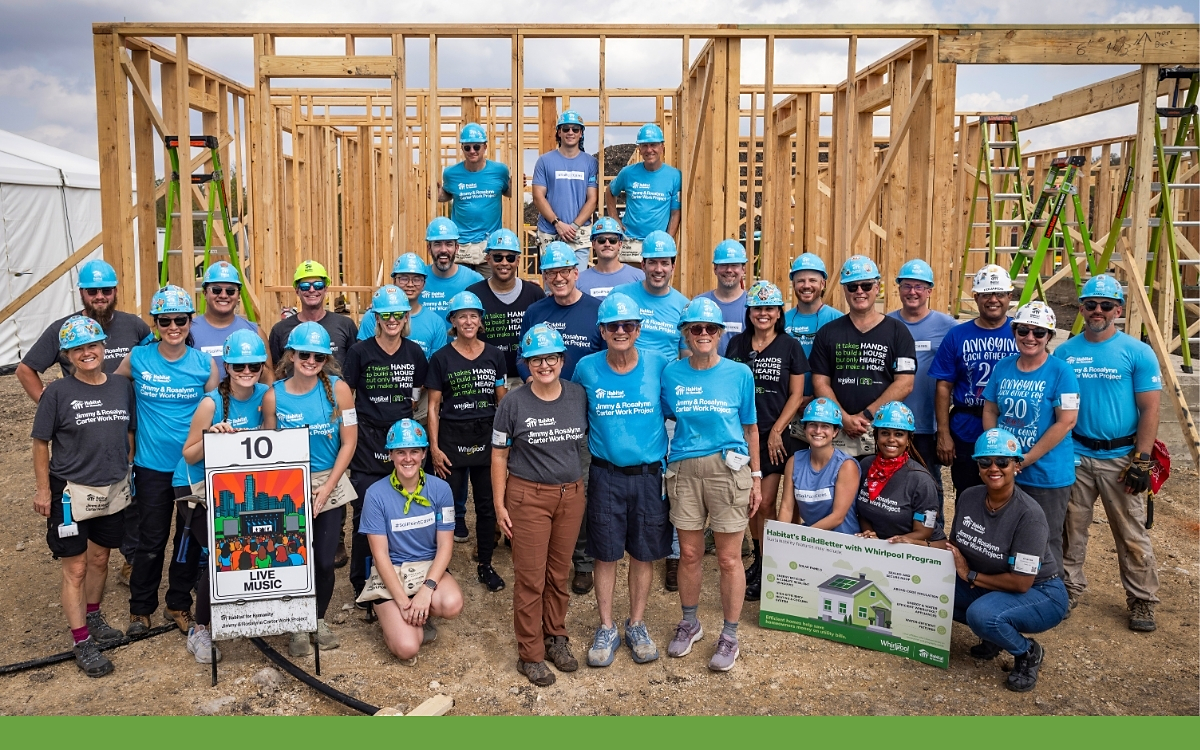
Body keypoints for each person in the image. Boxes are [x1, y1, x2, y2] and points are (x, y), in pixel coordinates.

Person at [18, 258, 151, 583]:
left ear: (115, 291)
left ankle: (130, 561)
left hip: (127, 425)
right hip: (84, 437)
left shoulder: (135, 325)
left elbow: (154, 359)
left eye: (106, 290)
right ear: (82, 293)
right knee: (88, 497)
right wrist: (55, 406)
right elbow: (25, 369)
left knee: (130, 496)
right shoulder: (63, 328)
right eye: (93, 291)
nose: (100, 296)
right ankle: (88, 566)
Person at [1054, 275, 1163, 631]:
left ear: (1118, 309)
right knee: (1071, 528)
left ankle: (1142, 600)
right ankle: (1068, 590)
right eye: (1090, 305)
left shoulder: (1137, 352)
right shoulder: (1065, 352)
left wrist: (1143, 459)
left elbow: (1150, 409)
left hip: (1120, 456)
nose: (1097, 311)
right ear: (1082, 309)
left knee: (1131, 532)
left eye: (1105, 305)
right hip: (1076, 452)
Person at [31, 316, 135, 678]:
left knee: (101, 558)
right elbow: (40, 442)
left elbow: (130, 431)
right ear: (67, 355)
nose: (87, 353)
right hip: (70, 493)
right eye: (78, 349)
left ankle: (94, 615)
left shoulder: (121, 387)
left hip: (111, 488)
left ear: (103, 347)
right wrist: (44, 489)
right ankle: (81, 641)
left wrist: (130, 467)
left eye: (92, 346)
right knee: (75, 566)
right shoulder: (57, 394)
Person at [571, 293, 671, 667]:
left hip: (647, 476)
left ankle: (637, 623)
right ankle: (607, 626)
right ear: (602, 330)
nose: (621, 331)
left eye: (628, 325)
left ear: (639, 329)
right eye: (613, 326)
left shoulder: (659, 364)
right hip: (605, 474)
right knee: (605, 552)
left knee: (643, 553)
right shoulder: (586, 368)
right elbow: (572, 412)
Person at [661, 297, 761, 672]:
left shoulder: (739, 374)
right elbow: (669, 416)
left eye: (710, 329)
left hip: (728, 470)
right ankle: (690, 622)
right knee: (688, 554)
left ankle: (730, 634)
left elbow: (751, 428)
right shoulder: (672, 373)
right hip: (685, 469)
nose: (703, 334)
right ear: (685, 333)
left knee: (729, 557)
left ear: (720, 334)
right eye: (695, 329)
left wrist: (756, 477)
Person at [116, 286, 219, 637]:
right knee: (151, 539)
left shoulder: (204, 365)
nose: (173, 326)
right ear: (155, 323)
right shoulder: (139, 358)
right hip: (152, 466)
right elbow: (111, 390)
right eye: (165, 321)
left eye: (180, 319)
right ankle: (141, 608)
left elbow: (217, 409)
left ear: (191, 321)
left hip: (191, 468)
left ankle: (178, 603)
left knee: (188, 540)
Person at [492, 325, 589, 687]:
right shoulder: (513, 403)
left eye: (550, 357)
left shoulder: (578, 395)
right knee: (531, 579)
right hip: (528, 497)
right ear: (526, 363)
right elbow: (499, 455)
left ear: (562, 360)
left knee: (559, 574)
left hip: (570, 495)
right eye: (536, 359)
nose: (544, 365)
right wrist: (501, 504)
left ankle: (556, 637)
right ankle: (530, 653)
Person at [939, 428, 1068, 693]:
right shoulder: (969, 497)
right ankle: (993, 635)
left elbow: (1022, 583)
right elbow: (956, 548)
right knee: (934, 590)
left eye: (1003, 461)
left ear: (1017, 466)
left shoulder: (1028, 515)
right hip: (993, 582)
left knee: (981, 614)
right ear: (978, 466)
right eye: (985, 461)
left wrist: (971, 576)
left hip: (1041, 591)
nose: (993, 467)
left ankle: (1027, 652)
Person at [174, 329, 276, 664]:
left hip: (235, 488)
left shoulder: (266, 395)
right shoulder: (211, 403)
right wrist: (211, 437)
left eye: (253, 366)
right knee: (220, 554)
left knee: (243, 550)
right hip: (197, 488)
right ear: (227, 367)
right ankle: (199, 628)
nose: (247, 372)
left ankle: (245, 612)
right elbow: (189, 454)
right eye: (239, 366)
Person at [518, 242, 603, 594]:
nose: (558, 278)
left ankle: (582, 561)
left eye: (564, 271)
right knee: (542, 489)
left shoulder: (597, 310)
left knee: (577, 490)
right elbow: (522, 356)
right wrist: (530, 381)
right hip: (542, 414)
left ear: (576, 272)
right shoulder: (536, 310)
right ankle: (547, 553)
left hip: (581, 416)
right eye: (551, 272)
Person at [273, 321, 358, 656]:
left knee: (323, 560)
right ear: (291, 355)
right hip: (288, 485)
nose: (310, 360)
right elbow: (268, 443)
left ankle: (317, 618)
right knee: (295, 559)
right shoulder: (273, 395)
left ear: (327, 359)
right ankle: (296, 623)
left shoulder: (338, 389)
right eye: (304, 354)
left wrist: (328, 488)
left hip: (329, 481)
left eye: (318, 356)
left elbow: (349, 443)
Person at [342, 286, 428, 600]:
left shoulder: (414, 352)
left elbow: (417, 391)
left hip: (402, 442)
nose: (392, 320)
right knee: (366, 512)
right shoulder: (360, 352)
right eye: (385, 315)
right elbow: (347, 397)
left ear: (406, 317)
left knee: (403, 512)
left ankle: (400, 579)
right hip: (367, 440)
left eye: (398, 314)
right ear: (376, 318)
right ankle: (361, 584)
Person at [724, 281, 807, 601]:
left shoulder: (790, 346)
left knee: (767, 501)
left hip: (776, 435)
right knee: (748, 502)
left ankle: (767, 563)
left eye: (770, 308)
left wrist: (775, 431)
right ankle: (758, 559)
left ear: (778, 313)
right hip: (742, 433)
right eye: (758, 308)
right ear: (749, 312)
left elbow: (797, 394)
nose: (763, 313)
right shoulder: (736, 344)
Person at [359, 419, 464, 665]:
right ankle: (391, 619)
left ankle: (420, 611)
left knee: (452, 604)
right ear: (391, 456)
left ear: (424, 454)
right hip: (391, 571)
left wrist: (426, 591)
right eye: (401, 452)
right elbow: (380, 555)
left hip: (425, 566)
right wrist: (404, 601)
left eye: (414, 451)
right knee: (407, 647)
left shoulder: (440, 489)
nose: (408, 459)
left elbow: (446, 546)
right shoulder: (376, 494)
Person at [982, 301, 1079, 566]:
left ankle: (1049, 596)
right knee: (1003, 535)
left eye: (1039, 332)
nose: (1030, 338)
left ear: (1049, 336)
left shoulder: (1062, 371)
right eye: (1023, 330)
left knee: (1045, 539)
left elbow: (1066, 422)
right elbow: (990, 410)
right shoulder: (1003, 367)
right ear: (1014, 332)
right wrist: (998, 454)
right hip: (1005, 469)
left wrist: (1024, 459)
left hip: (1046, 474)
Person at [426, 291, 507, 588]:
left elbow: (502, 402)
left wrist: (504, 444)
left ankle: (485, 563)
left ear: (481, 320)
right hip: (451, 439)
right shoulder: (441, 358)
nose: (468, 321)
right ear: (453, 321)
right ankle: (440, 567)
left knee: (486, 505)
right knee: (445, 505)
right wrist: (434, 448)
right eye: (462, 316)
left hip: (485, 437)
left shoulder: (495, 356)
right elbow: (433, 406)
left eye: (474, 315)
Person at [809, 255, 916, 457]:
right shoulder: (828, 333)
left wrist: (866, 415)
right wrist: (843, 418)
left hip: (881, 430)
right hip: (838, 430)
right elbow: (820, 382)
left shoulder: (897, 332)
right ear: (844, 290)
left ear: (877, 288)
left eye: (866, 286)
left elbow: (905, 383)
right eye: (852, 287)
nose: (859, 291)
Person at [931, 264, 1019, 496]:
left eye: (1000, 294)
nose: (993, 300)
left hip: (1011, 424)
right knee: (968, 492)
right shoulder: (957, 335)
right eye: (986, 294)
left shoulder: (1023, 333)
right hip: (966, 427)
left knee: (1009, 495)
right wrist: (943, 433)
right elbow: (943, 386)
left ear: (1010, 296)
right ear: (976, 297)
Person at [885, 259, 955, 504]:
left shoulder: (948, 327)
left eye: (918, 286)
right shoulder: (886, 324)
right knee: (890, 486)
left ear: (929, 291)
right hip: (890, 421)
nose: (912, 292)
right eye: (906, 286)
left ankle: (931, 536)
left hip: (927, 425)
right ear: (899, 289)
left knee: (929, 486)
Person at [853, 402, 942, 545]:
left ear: (908, 440)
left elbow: (925, 531)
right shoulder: (865, 465)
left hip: (913, 548)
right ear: (876, 436)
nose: (891, 439)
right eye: (885, 433)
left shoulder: (921, 480)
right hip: (874, 547)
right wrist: (869, 534)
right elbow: (863, 512)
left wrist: (893, 543)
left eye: (899, 434)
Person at [468, 229, 545, 387]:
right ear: (488, 259)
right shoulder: (473, 295)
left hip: (526, 380)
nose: (504, 263)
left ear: (518, 261)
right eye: (498, 257)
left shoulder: (535, 294)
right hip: (485, 380)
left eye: (510, 258)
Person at [777, 398, 861, 535]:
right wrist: (780, 538)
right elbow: (786, 508)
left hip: (842, 542)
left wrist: (801, 538)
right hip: (811, 540)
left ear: (835, 432)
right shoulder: (794, 462)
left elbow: (837, 517)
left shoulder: (846, 466)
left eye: (825, 426)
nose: (818, 430)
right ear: (804, 428)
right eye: (813, 424)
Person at [439, 123, 511, 277]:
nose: (472, 151)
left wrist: (517, 184)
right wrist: (436, 194)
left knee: (490, 290)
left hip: (488, 244)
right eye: (467, 147)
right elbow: (447, 194)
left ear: (485, 147)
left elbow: (508, 192)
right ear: (462, 148)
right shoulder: (451, 173)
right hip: (461, 245)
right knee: (461, 290)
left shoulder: (499, 171)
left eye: (476, 147)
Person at [604, 123, 681, 264]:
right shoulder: (628, 173)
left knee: (655, 283)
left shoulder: (674, 176)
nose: (649, 150)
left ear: (662, 147)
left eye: (653, 145)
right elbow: (610, 191)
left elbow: (675, 212)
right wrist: (614, 218)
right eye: (644, 145)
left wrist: (668, 239)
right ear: (639, 149)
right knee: (629, 282)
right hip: (630, 241)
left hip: (657, 243)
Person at [532, 110, 599, 268]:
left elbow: (592, 199)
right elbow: (538, 197)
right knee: (552, 285)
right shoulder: (544, 161)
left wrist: (574, 226)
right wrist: (557, 223)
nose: (570, 132)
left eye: (575, 129)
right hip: (550, 232)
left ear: (581, 133)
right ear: (559, 132)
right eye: (566, 129)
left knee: (578, 284)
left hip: (578, 234)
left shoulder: (590, 163)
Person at [611, 230, 689, 362]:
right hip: (624, 377)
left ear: (673, 267)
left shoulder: (684, 306)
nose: (658, 269)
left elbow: (687, 358)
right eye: (652, 262)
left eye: (664, 263)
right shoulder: (620, 295)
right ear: (643, 265)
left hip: (664, 380)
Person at [360, 253, 449, 360]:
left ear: (424, 284)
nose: (410, 284)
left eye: (416, 279)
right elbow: (362, 359)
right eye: (403, 278)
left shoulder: (436, 323)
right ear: (394, 281)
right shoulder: (372, 316)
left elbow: (438, 367)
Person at [268, 260, 358, 367]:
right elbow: (276, 372)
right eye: (305, 286)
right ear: (297, 290)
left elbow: (355, 369)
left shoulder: (345, 325)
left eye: (318, 285)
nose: (312, 290)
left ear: (325, 289)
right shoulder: (280, 330)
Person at [783, 253, 842, 409]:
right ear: (793, 284)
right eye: (800, 281)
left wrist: (817, 396)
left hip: (829, 407)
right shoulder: (781, 321)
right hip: (788, 406)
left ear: (822, 284)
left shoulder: (838, 320)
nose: (806, 285)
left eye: (812, 280)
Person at [189, 261, 261, 372]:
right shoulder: (188, 331)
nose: (223, 295)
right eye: (216, 290)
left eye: (230, 291)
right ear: (204, 293)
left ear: (238, 295)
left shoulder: (255, 332)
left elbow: (268, 379)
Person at [421, 217, 484, 324]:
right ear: (429, 249)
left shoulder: (475, 281)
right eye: (437, 244)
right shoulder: (418, 280)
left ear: (457, 248)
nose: (443, 250)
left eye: (449, 244)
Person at [697, 240, 749, 355]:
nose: (729, 270)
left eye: (734, 265)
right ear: (715, 269)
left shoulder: (752, 305)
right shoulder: (700, 304)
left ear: (743, 269)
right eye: (724, 265)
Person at [576, 216, 644, 300]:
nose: (607, 244)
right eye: (601, 240)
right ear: (593, 244)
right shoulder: (579, 280)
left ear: (620, 244)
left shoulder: (639, 277)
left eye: (612, 240)